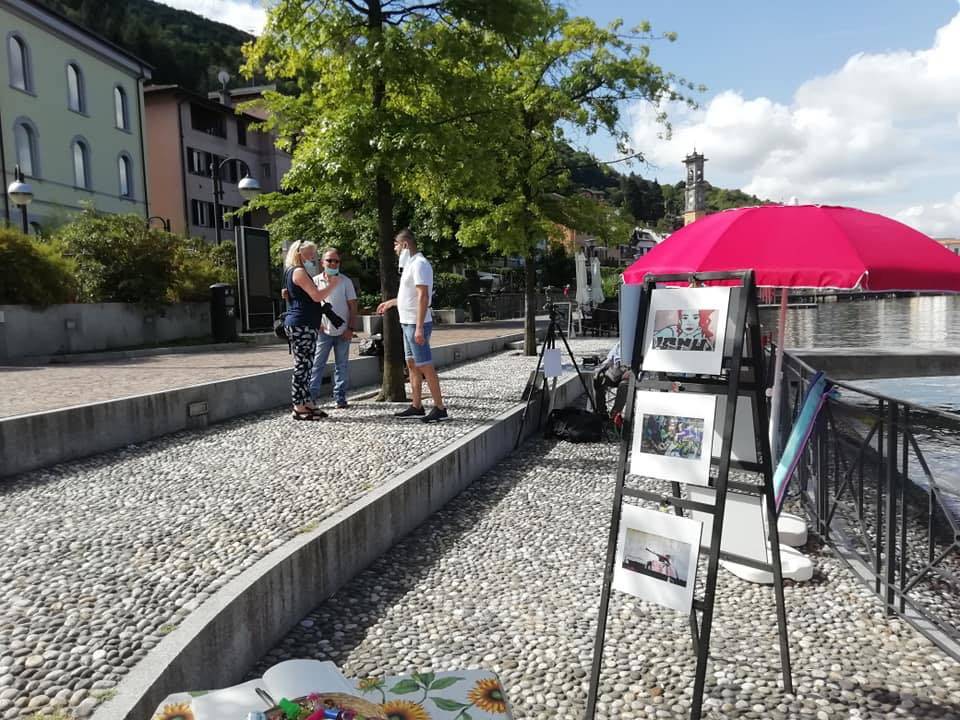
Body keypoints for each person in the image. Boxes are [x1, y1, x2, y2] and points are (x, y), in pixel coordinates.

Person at [376, 228, 448, 423]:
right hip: (406, 321)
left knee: (425, 365)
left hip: (416, 324)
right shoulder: (410, 265)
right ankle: (417, 405)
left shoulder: (420, 265)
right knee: (412, 364)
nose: (396, 249)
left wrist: (418, 327)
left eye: (397, 245)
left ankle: (440, 407)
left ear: (405, 244)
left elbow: (423, 296)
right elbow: (408, 295)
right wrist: (391, 302)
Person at [282, 240, 340, 421]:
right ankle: (298, 405)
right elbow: (316, 296)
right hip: (302, 324)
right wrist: (333, 284)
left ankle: (306, 402)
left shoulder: (294, 272)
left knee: (307, 365)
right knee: (302, 365)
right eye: (309, 254)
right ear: (299, 253)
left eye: (313, 254)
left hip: (305, 323)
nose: (312, 257)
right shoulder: (298, 271)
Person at [308, 247, 357, 409]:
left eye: (336, 261)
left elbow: (353, 306)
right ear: (322, 262)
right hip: (323, 331)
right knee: (317, 364)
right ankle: (311, 397)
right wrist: (317, 324)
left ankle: (340, 397)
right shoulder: (314, 281)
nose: (333, 263)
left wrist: (350, 328)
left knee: (341, 365)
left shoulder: (345, 281)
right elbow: (310, 305)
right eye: (329, 260)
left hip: (342, 330)